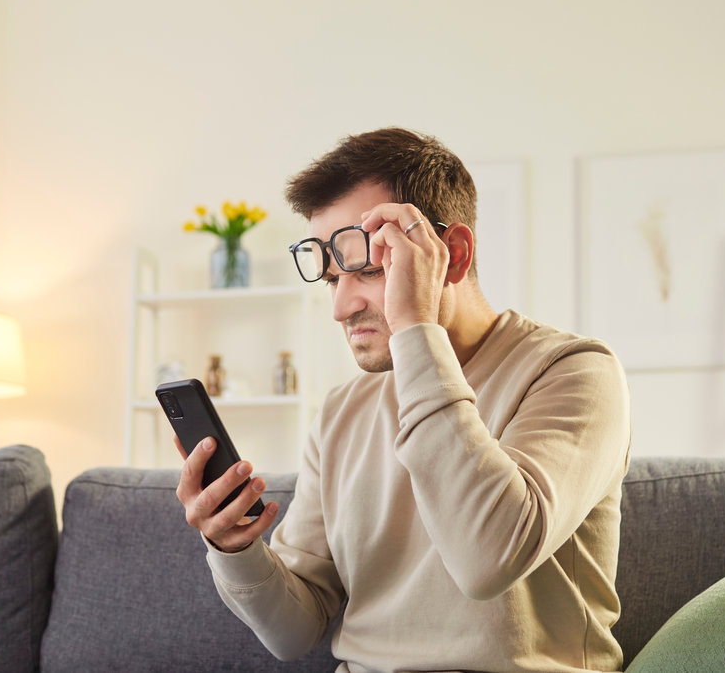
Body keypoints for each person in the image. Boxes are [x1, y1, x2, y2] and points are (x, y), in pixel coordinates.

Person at [175, 127, 632, 673]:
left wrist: (414, 325)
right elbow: (294, 633)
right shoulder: (342, 411)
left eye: (370, 267)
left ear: (453, 256)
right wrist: (236, 550)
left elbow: (487, 560)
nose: (341, 307)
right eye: (330, 279)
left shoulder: (575, 373)